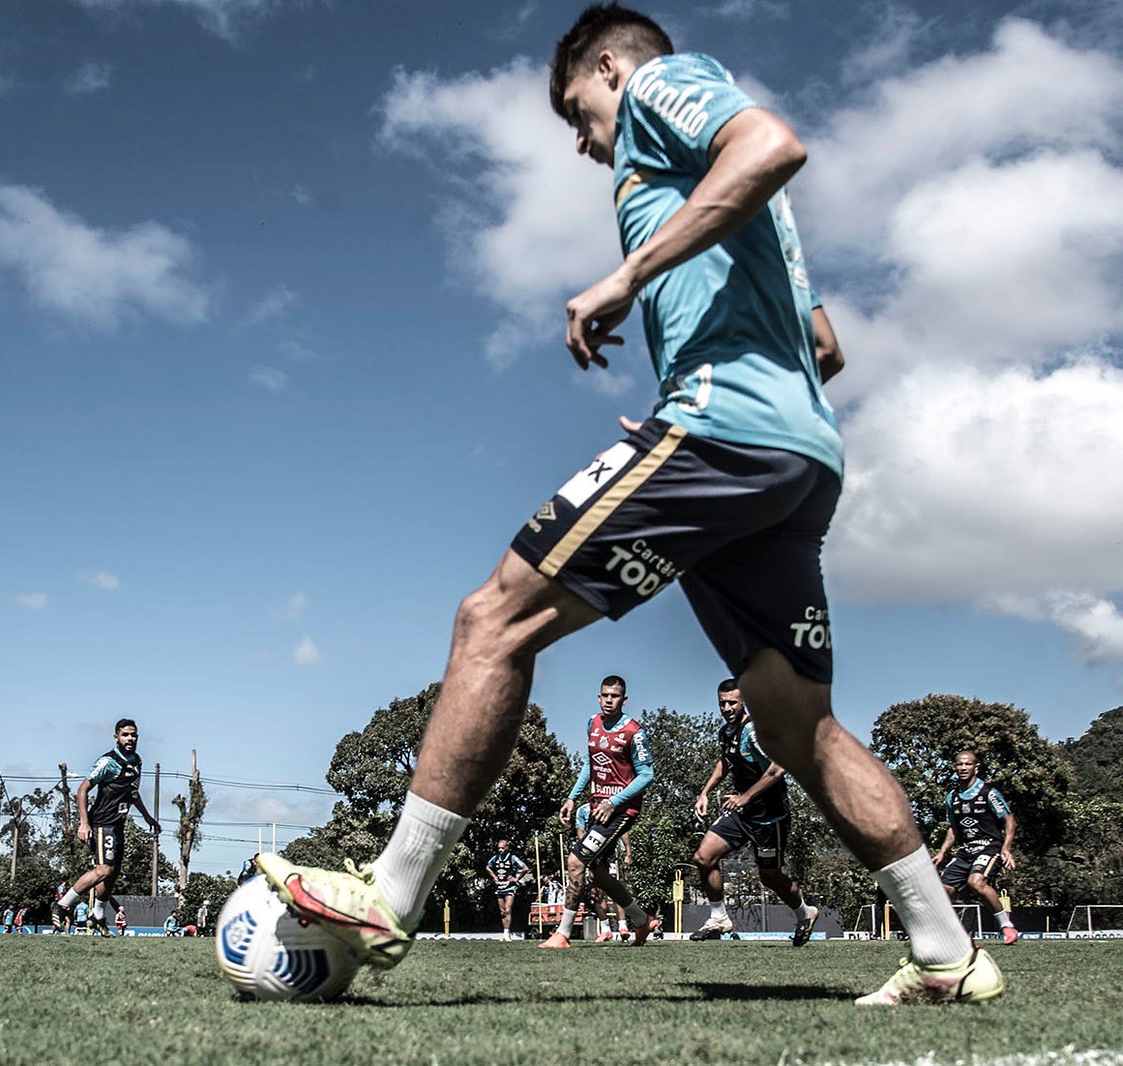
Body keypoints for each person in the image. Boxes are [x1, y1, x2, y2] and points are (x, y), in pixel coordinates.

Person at [255, 3, 1003, 1005]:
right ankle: (947, 951)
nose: (579, 140)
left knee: (493, 619)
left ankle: (389, 894)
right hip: (794, 456)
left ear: (608, 67)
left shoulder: (662, 84)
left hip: (722, 435)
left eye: (576, 111)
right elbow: (824, 347)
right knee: (798, 727)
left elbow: (773, 145)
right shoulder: (751, 226)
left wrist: (626, 282)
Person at [690, 678, 820, 946]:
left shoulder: (755, 732)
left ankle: (805, 913)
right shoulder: (726, 732)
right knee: (704, 857)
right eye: (722, 703)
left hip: (769, 818)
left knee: (769, 876)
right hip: (741, 814)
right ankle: (718, 918)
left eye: (732, 703)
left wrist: (745, 797)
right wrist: (705, 792)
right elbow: (725, 762)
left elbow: (778, 767)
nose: (727, 708)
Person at [541, 677, 658, 948]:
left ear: (624, 700)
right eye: (605, 695)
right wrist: (572, 797)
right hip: (597, 809)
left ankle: (563, 934)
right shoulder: (592, 723)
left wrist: (614, 801)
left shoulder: (634, 732)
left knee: (575, 862)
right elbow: (590, 764)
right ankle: (642, 920)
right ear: (598, 697)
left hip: (621, 810)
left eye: (615, 696)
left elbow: (647, 775)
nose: (609, 700)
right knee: (599, 876)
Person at [52, 719, 162, 930]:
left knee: (113, 873)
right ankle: (62, 905)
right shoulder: (108, 762)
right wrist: (84, 823)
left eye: (133, 735)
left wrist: (148, 818)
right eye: (125, 735)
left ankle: (98, 915)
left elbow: (132, 793)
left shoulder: (136, 761)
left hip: (118, 823)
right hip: (102, 823)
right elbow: (82, 790)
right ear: (116, 737)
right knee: (103, 870)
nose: (130, 739)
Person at [933, 751, 1018, 945]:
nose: (963, 768)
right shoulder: (952, 797)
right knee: (941, 892)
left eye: (968, 764)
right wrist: (942, 852)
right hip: (966, 851)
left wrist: (1006, 848)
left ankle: (1007, 927)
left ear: (976, 767)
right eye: (959, 764)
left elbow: (1009, 820)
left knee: (976, 882)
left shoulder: (988, 793)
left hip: (989, 848)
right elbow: (953, 829)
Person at [588, 832, 634, 942]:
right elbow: (581, 832)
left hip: (609, 857)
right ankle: (605, 930)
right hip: (592, 858)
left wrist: (628, 854)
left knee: (614, 891)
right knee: (596, 894)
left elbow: (624, 831)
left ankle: (623, 927)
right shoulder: (585, 820)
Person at [484, 839, 530, 940]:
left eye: (502, 848)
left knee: (508, 910)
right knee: (502, 911)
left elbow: (525, 868)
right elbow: (488, 867)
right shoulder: (495, 858)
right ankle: (504, 933)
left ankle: (507, 933)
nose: (500, 850)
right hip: (499, 887)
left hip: (509, 887)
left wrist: (516, 878)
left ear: (507, 848)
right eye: (499, 848)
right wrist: (494, 877)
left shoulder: (512, 858)